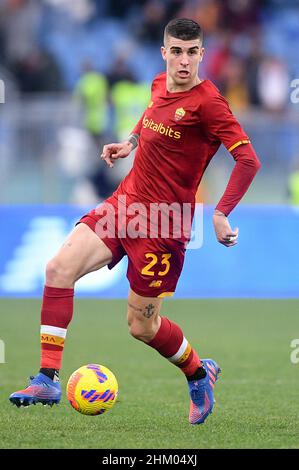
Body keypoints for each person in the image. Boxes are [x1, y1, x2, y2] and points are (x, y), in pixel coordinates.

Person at [9, 18, 261, 425]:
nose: (183, 61)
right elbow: (151, 116)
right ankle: (47, 378)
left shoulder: (210, 103)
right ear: (164, 53)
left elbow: (249, 160)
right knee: (58, 268)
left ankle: (198, 372)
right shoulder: (160, 83)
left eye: (191, 52)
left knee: (142, 327)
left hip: (164, 225)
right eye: (175, 51)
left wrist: (220, 213)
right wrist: (129, 142)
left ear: (202, 54)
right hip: (125, 204)